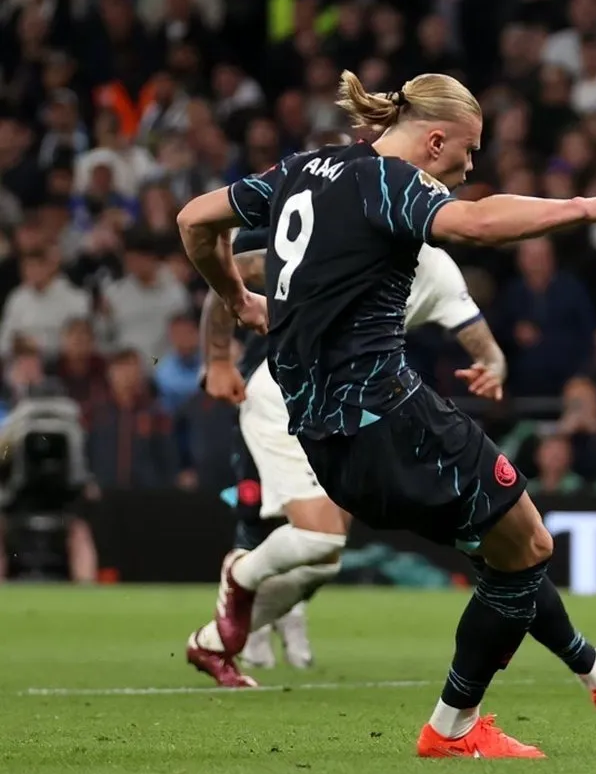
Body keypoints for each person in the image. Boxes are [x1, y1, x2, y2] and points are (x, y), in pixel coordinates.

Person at [176, 70, 596, 758]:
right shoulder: (391, 182)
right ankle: (454, 727)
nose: (469, 168)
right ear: (436, 140)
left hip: (325, 442)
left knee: (510, 547)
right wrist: (589, 207)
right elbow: (477, 222)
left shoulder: (301, 170)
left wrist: (235, 296)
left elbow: (194, 219)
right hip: (387, 416)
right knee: (526, 547)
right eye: (468, 152)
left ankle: (595, 672)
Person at [189, 225, 510, 679]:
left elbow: (486, 347)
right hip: (284, 398)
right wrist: (219, 360)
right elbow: (237, 268)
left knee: (322, 562)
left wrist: (494, 367)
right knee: (320, 539)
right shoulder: (344, 239)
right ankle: (240, 572)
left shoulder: (437, 271)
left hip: (343, 412)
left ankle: (214, 641)